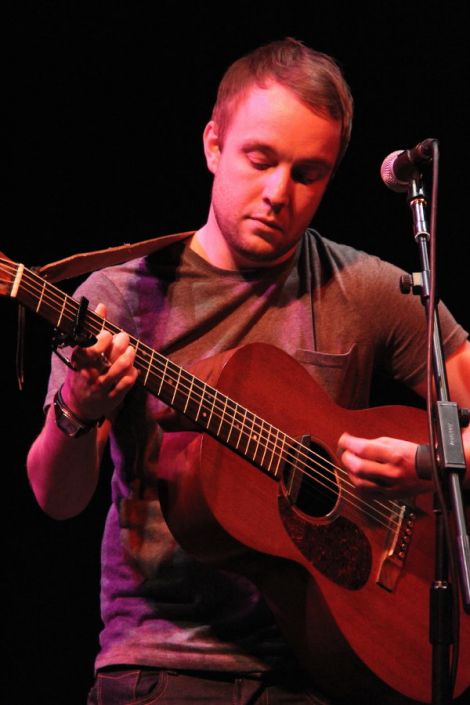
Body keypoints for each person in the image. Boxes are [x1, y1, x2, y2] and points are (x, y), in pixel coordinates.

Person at [27, 38, 470, 705]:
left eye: (308, 173)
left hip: (327, 666)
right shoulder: (123, 296)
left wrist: (434, 459)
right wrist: (76, 409)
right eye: (259, 160)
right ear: (213, 145)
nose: (277, 193)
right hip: (161, 667)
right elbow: (54, 497)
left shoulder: (367, 289)